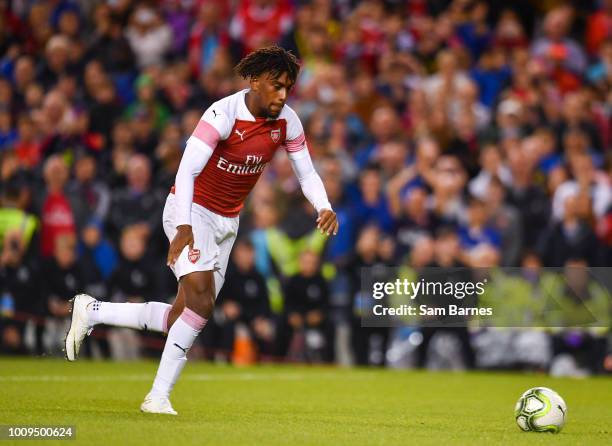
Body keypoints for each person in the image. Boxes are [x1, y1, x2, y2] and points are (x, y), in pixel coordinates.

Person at [64, 46, 338, 415]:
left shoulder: (288, 122)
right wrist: (183, 226)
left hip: (227, 221)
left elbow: (306, 172)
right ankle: (158, 397)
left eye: (288, 87)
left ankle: (92, 311)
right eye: (276, 86)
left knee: (184, 316)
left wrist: (324, 206)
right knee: (202, 301)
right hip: (190, 211)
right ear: (254, 81)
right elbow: (186, 172)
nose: (283, 95)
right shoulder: (222, 114)